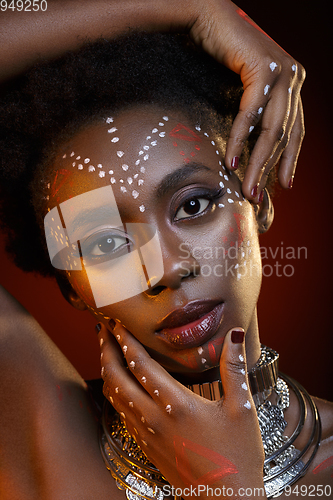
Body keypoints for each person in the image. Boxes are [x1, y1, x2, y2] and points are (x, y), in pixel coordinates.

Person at [0, 27, 332, 500]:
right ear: (70, 285)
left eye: (193, 206)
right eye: (105, 243)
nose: (167, 270)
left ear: (255, 200)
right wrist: (195, 10)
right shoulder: (36, 434)